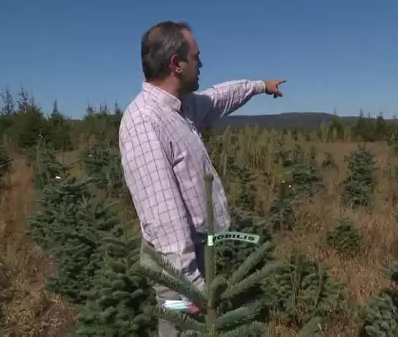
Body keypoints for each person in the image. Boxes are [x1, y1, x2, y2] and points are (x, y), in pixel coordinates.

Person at [118, 20, 285, 336]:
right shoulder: (144, 123)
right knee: (177, 321)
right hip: (176, 272)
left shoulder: (181, 108)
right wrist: (191, 285)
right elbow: (163, 216)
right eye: (196, 56)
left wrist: (260, 85)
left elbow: (219, 97)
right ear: (176, 64)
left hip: (197, 254)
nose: (202, 63)